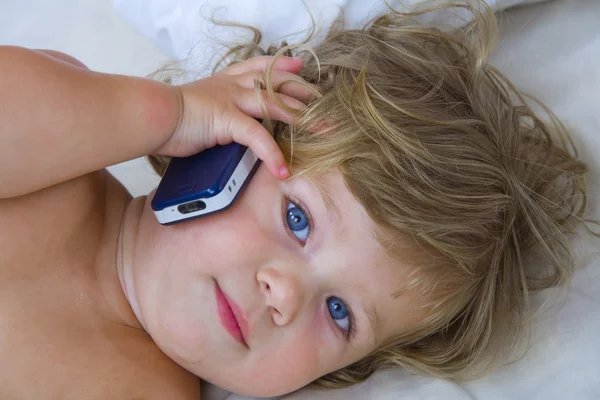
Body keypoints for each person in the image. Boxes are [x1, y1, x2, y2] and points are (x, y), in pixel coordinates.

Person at [0, 1, 594, 398]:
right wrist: (167, 113)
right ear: (230, 139)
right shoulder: (64, 149)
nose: (284, 295)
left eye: (341, 315)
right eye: (297, 218)